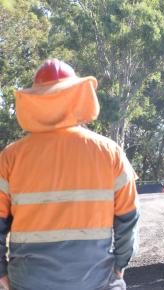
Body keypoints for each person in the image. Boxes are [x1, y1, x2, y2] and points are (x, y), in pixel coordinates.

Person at [0, 59, 139, 290]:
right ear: (79, 97)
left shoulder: (10, 157)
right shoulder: (110, 152)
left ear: (34, 101)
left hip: (28, 282)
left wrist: (2, 274)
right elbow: (129, 219)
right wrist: (119, 267)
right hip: (95, 281)